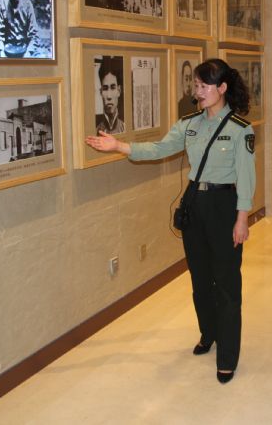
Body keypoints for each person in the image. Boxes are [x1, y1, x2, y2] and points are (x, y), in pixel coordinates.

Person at [85, 58, 256, 385]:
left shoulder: (239, 129)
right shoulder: (189, 124)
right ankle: (209, 333)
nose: (198, 91)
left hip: (223, 205)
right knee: (200, 280)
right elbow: (160, 148)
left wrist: (242, 219)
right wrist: (120, 146)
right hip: (194, 203)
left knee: (226, 284)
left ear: (222, 88)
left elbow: (247, 179)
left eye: (205, 86)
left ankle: (227, 356)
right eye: (196, 85)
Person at [95, 56, 126, 134]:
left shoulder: (125, 128)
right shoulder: (96, 130)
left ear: (119, 91)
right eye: (105, 88)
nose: (109, 96)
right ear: (101, 92)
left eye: (113, 88)